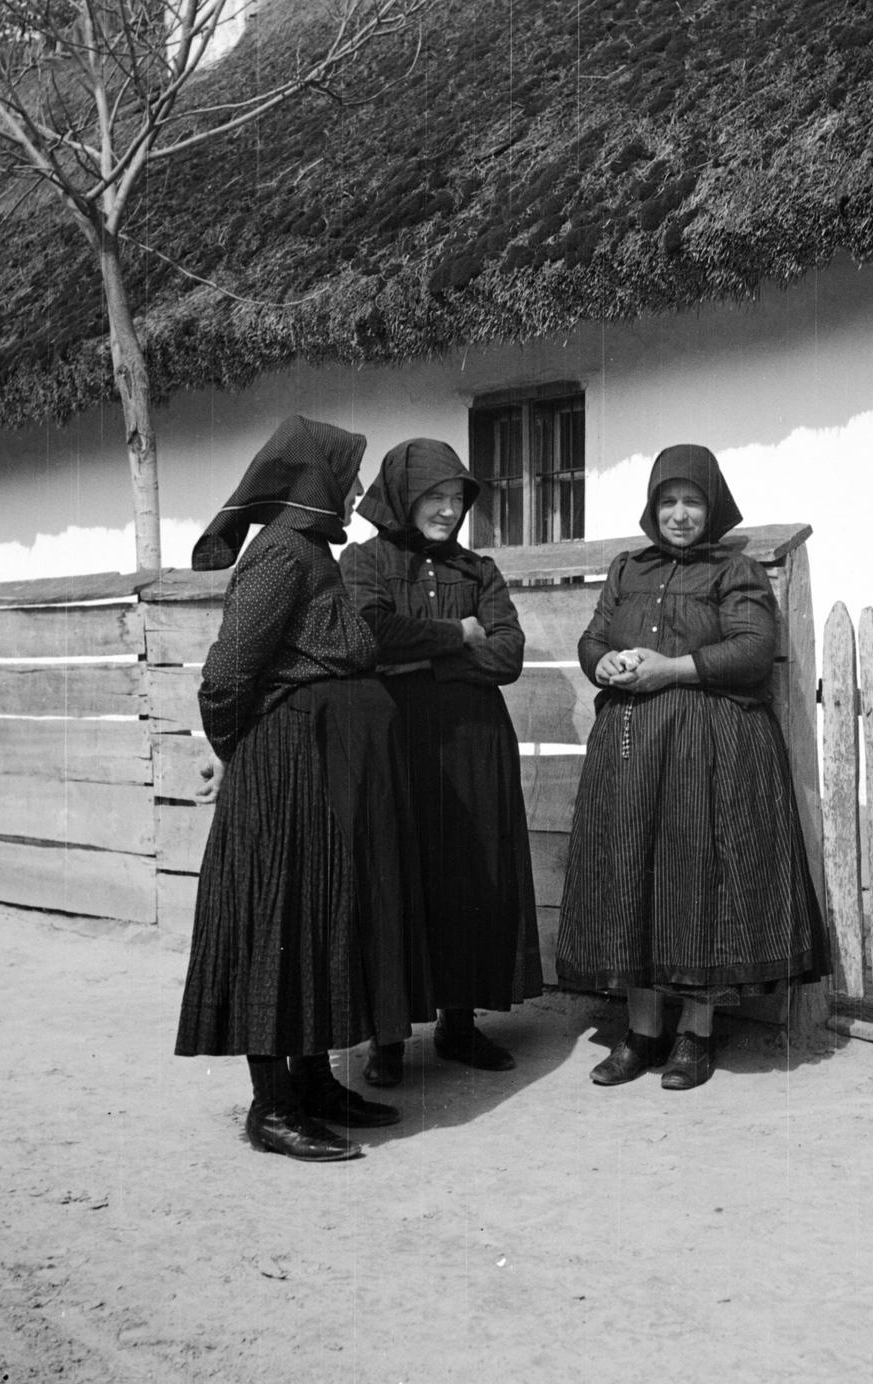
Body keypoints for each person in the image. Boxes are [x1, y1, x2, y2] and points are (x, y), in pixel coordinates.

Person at [174, 415, 432, 1162]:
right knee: (276, 917)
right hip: (286, 761)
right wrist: (243, 752)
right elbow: (226, 676)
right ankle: (271, 1106)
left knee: (318, 915)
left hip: (320, 760)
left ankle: (313, 1082)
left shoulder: (308, 551)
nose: (357, 490)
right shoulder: (281, 556)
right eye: (348, 477)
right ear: (315, 481)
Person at [554, 445, 825, 1090]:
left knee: (695, 880)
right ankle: (641, 1033)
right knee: (634, 881)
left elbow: (755, 649)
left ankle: (694, 1036)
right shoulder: (628, 567)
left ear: (713, 508)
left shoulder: (734, 572)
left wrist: (671, 669)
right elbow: (594, 636)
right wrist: (606, 664)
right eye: (668, 501)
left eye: (693, 502)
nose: (679, 514)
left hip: (711, 748)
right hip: (631, 747)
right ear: (652, 508)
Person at [341, 439, 543, 1083]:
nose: (448, 511)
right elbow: (368, 637)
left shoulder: (478, 571)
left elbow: (507, 655)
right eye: (436, 497)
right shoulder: (364, 561)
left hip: (472, 748)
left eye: (457, 499)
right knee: (396, 877)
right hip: (396, 744)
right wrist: (456, 637)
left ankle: (460, 1025)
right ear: (402, 495)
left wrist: (419, 657)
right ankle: (388, 1041)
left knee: (467, 877)